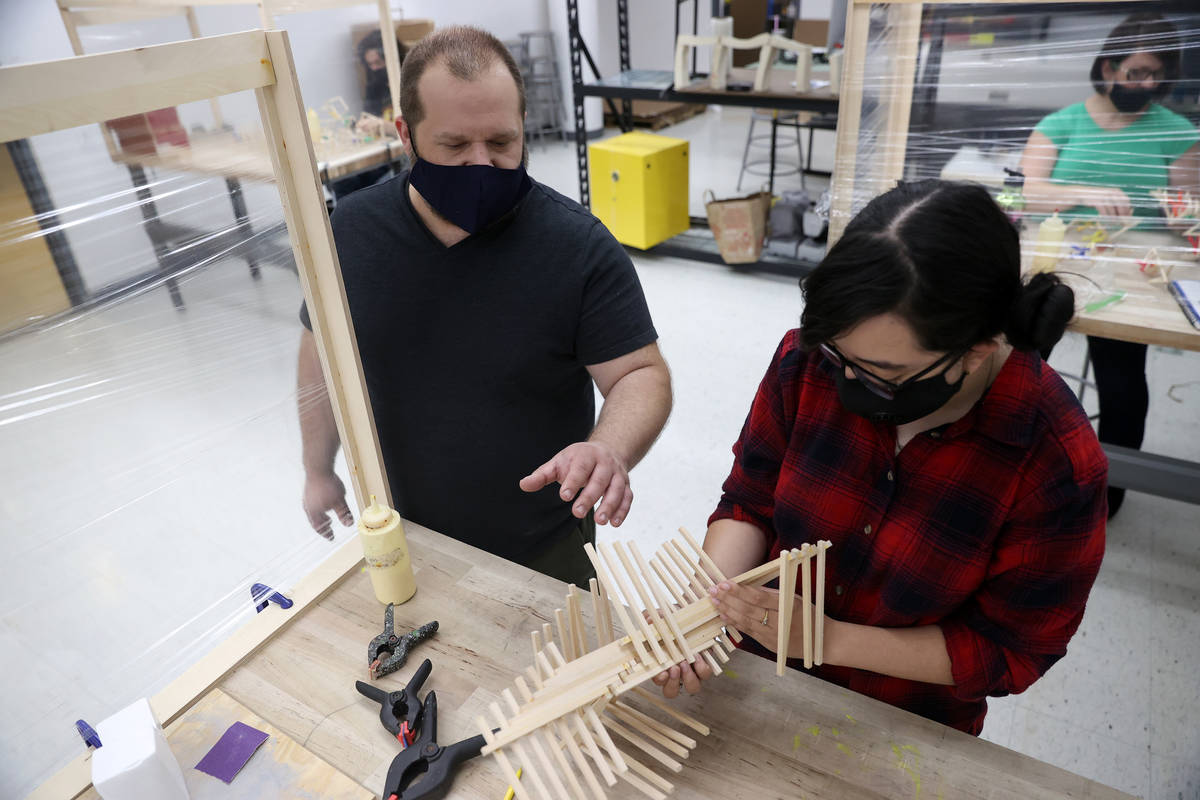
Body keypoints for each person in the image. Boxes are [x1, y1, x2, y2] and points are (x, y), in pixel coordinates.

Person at [653, 180, 1107, 737]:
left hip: (902, 722)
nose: (845, 381)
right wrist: (705, 604)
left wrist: (832, 640)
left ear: (976, 349)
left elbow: (1010, 650)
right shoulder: (808, 362)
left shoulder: (1053, 462)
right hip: (759, 680)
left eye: (882, 375)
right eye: (839, 356)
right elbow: (751, 500)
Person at [297, 26, 672, 585]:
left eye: (502, 143)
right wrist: (316, 468)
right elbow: (319, 352)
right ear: (406, 135)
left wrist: (608, 449)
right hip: (404, 532)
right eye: (454, 146)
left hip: (543, 543)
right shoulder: (349, 231)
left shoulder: (577, 247)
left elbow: (641, 373)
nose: (482, 165)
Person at [1019, 12, 1200, 518]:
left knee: (1121, 379)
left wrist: (1185, 215)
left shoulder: (1177, 132)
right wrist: (1082, 191)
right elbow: (1028, 193)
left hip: (1129, 272)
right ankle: (1007, 461)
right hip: (1056, 260)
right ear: (1108, 66)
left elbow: (1186, 210)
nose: (1146, 84)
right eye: (1136, 72)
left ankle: (1108, 489)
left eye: (1156, 75)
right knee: (1022, 360)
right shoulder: (1063, 123)